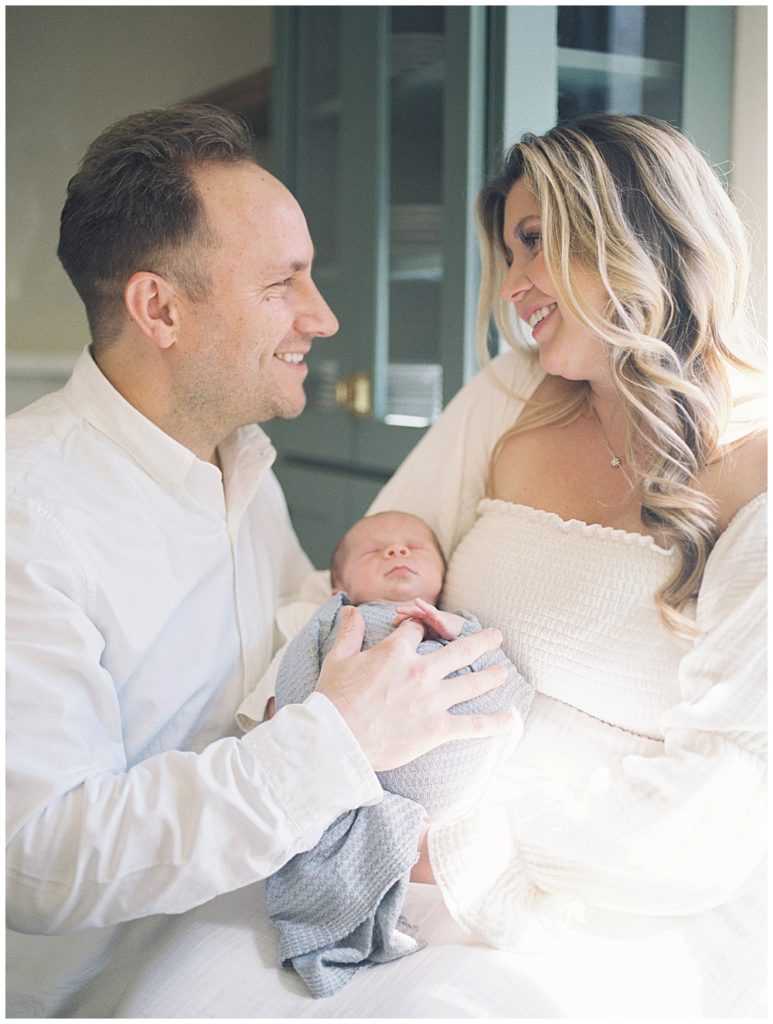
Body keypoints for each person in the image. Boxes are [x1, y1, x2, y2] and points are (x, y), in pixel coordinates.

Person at [4, 104, 511, 1018]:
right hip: (110, 994)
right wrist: (338, 745)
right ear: (159, 307)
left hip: (287, 930)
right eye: (284, 282)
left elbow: (291, 671)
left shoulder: (246, 470)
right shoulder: (25, 518)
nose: (322, 317)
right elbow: (37, 861)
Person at [368, 114, 767, 1016]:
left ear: (637, 229)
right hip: (407, 838)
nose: (512, 286)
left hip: (610, 909)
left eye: (534, 243)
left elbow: (712, 817)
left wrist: (463, 842)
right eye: (509, 253)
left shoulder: (762, 478)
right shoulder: (513, 393)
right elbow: (377, 565)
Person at [241, 511, 533, 998]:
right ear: (339, 581)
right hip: (350, 769)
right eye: (374, 550)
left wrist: (457, 631)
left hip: (453, 767)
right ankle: (396, 853)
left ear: (445, 573)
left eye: (413, 546)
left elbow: (509, 687)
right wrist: (300, 724)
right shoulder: (333, 619)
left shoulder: (460, 627)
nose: (396, 551)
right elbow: (290, 690)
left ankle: (432, 842)